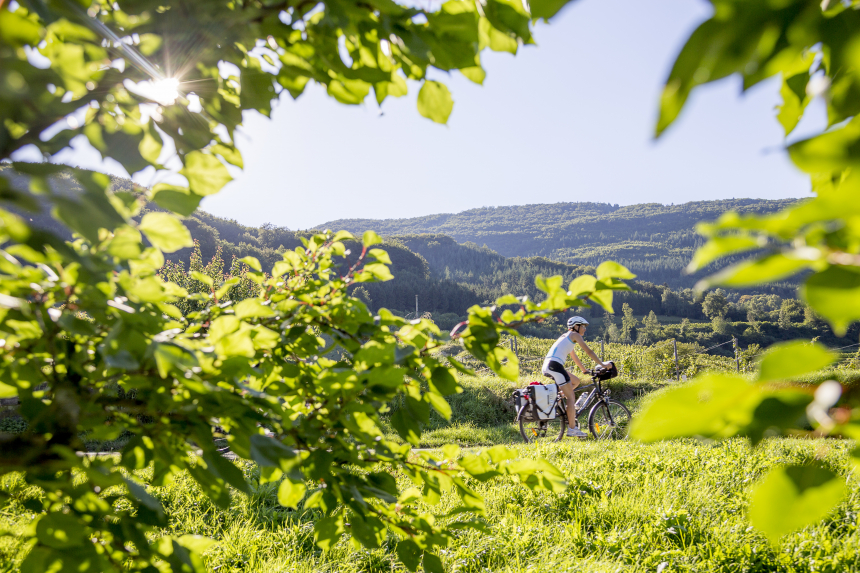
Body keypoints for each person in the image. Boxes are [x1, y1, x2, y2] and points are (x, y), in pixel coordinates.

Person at [542, 316, 609, 438]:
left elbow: (574, 356)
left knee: (576, 381)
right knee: (571, 397)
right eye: (583, 326)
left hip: (549, 365)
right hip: (555, 365)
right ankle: (572, 429)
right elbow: (589, 351)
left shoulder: (567, 337)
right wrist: (602, 364)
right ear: (576, 326)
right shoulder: (574, 335)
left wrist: (583, 370)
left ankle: (569, 406)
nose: (584, 329)